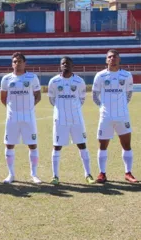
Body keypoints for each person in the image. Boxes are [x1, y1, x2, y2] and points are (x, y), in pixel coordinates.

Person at [47, 57, 95, 185]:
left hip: (76, 118)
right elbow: (52, 99)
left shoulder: (79, 81)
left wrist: (73, 109)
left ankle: (88, 174)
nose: (65, 65)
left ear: (72, 66)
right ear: (60, 66)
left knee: (82, 145)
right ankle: (55, 176)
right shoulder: (54, 81)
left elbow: (82, 99)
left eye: (67, 63)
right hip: (60, 119)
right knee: (57, 146)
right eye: (63, 63)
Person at [92, 49, 137, 183]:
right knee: (103, 145)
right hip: (106, 116)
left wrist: (122, 106)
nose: (112, 59)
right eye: (110, 57)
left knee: (126, 145)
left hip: (122, 116)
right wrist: (102, 107)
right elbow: (95, 95)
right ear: (106, 60)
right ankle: (102, 173)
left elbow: (129, 94)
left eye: (115, 57)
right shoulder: (100, 76)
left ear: (119, 59)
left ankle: (128, 173)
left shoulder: (127, 75)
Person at [0, 52, 42, 184]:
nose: (17, 64)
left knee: (32, 144)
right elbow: (3, 98)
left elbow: (38, 96)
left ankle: (34, 174)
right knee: (9, 144)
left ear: (25, 63)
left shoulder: (32, 77)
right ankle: (11, 174)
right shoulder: (6, 79)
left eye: (19, 61)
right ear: (12, 64)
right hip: (12, 117)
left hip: (28, 117)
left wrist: (29, 107)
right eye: (14, 61)